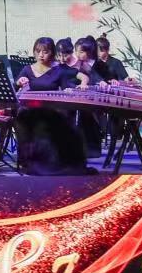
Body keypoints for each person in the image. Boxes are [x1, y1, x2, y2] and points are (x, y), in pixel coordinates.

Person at [13, 37, 94, 175]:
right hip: (30, 110)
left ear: (52, 53)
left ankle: (52, 161)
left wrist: (78, 86)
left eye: (45, 52)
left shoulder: (58, 70)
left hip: (50, 110)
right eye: (38, 51)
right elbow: (15, 87)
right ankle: (29, 161)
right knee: (25, 119)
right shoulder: (27, 69)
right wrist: (19, 82)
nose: (41, 55)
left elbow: (74, 82)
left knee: (63, 125)